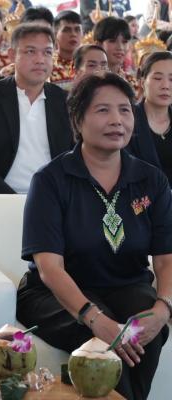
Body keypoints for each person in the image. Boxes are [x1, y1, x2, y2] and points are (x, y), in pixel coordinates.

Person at [17, 71, 172, 400]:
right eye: (103, 110)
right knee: (102, 342)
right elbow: (49, 268)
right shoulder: (51, 180)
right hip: (54, 295)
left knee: (146, 328)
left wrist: (163, 309)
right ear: (78, 119)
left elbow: (165, 258)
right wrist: (94, 318)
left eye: (125, 110)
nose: (117, 120)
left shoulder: (151, 180)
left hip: (126, 285)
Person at [0, 23, 73, 215]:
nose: (40, 60)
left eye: (47, 52)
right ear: (12, 55)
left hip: (51, 200)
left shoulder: (64, 101)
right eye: (30, 51)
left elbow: (74, 157)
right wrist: (14, 203)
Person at [128, 51, 172, 188]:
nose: (165, 86)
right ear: (142, 82)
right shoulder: (127, 120)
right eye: (157, 78)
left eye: (171, 79)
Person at [93, 17, 138, 91]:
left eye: (124, 42)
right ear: (99, 45)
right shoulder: (91, 81)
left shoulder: (132, 83)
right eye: (112, 41)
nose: (120, 47)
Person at [51, 10, 83, 91]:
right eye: (67, 30)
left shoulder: (90, 63)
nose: (73, 34)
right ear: (55, 35)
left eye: (77, 29)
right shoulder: (47, 65)